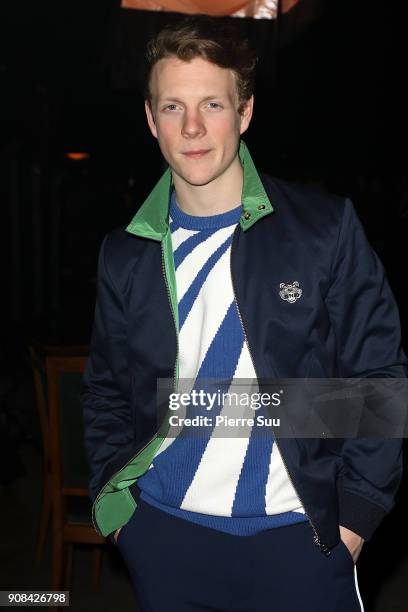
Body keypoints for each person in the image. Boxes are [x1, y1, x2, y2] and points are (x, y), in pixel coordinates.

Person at [81, 15, 407, 612]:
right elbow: (106, 388)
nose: (195, 127)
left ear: (245, 112)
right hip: (165, 538)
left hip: (300, 544)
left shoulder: (323, 230)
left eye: (212, 103)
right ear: (151, 120)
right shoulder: (125, 253)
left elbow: (378, 382)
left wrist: (355, 519)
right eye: (173, 107)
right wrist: (121, 513)